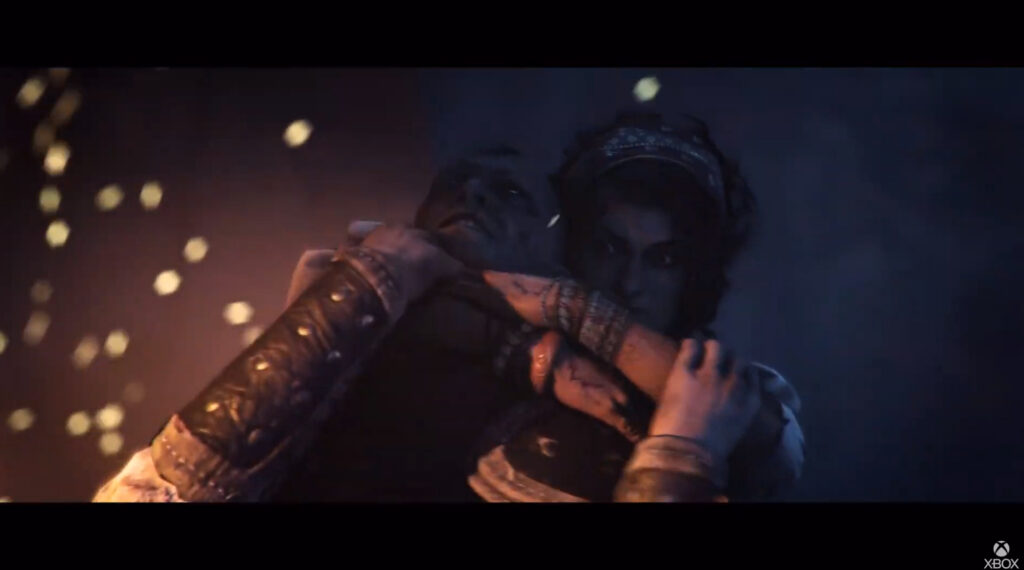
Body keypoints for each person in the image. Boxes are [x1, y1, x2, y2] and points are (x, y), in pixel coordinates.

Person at [468, 111, 805, 502]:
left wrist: (682, 448)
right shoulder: (501, 350)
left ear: (695, 275)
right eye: (608, 248)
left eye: (663, 260)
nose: (629, 283)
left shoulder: (740, 398)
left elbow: (772, 447)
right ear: (573, 245)